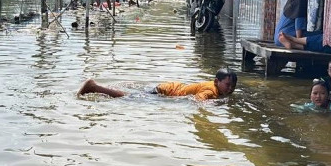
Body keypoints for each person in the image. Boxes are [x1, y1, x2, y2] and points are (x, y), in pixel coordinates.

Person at [77, 67, 238, 101]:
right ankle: (94, 87)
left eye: (232, 86)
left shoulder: (214, 86)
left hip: (168, 87)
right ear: (217, 82)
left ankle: (96, 87)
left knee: (136, 95)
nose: (230, 89)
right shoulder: (211, 91)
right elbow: (199, 100)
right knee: (128, 98)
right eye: (227, 85)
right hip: (166, 92)